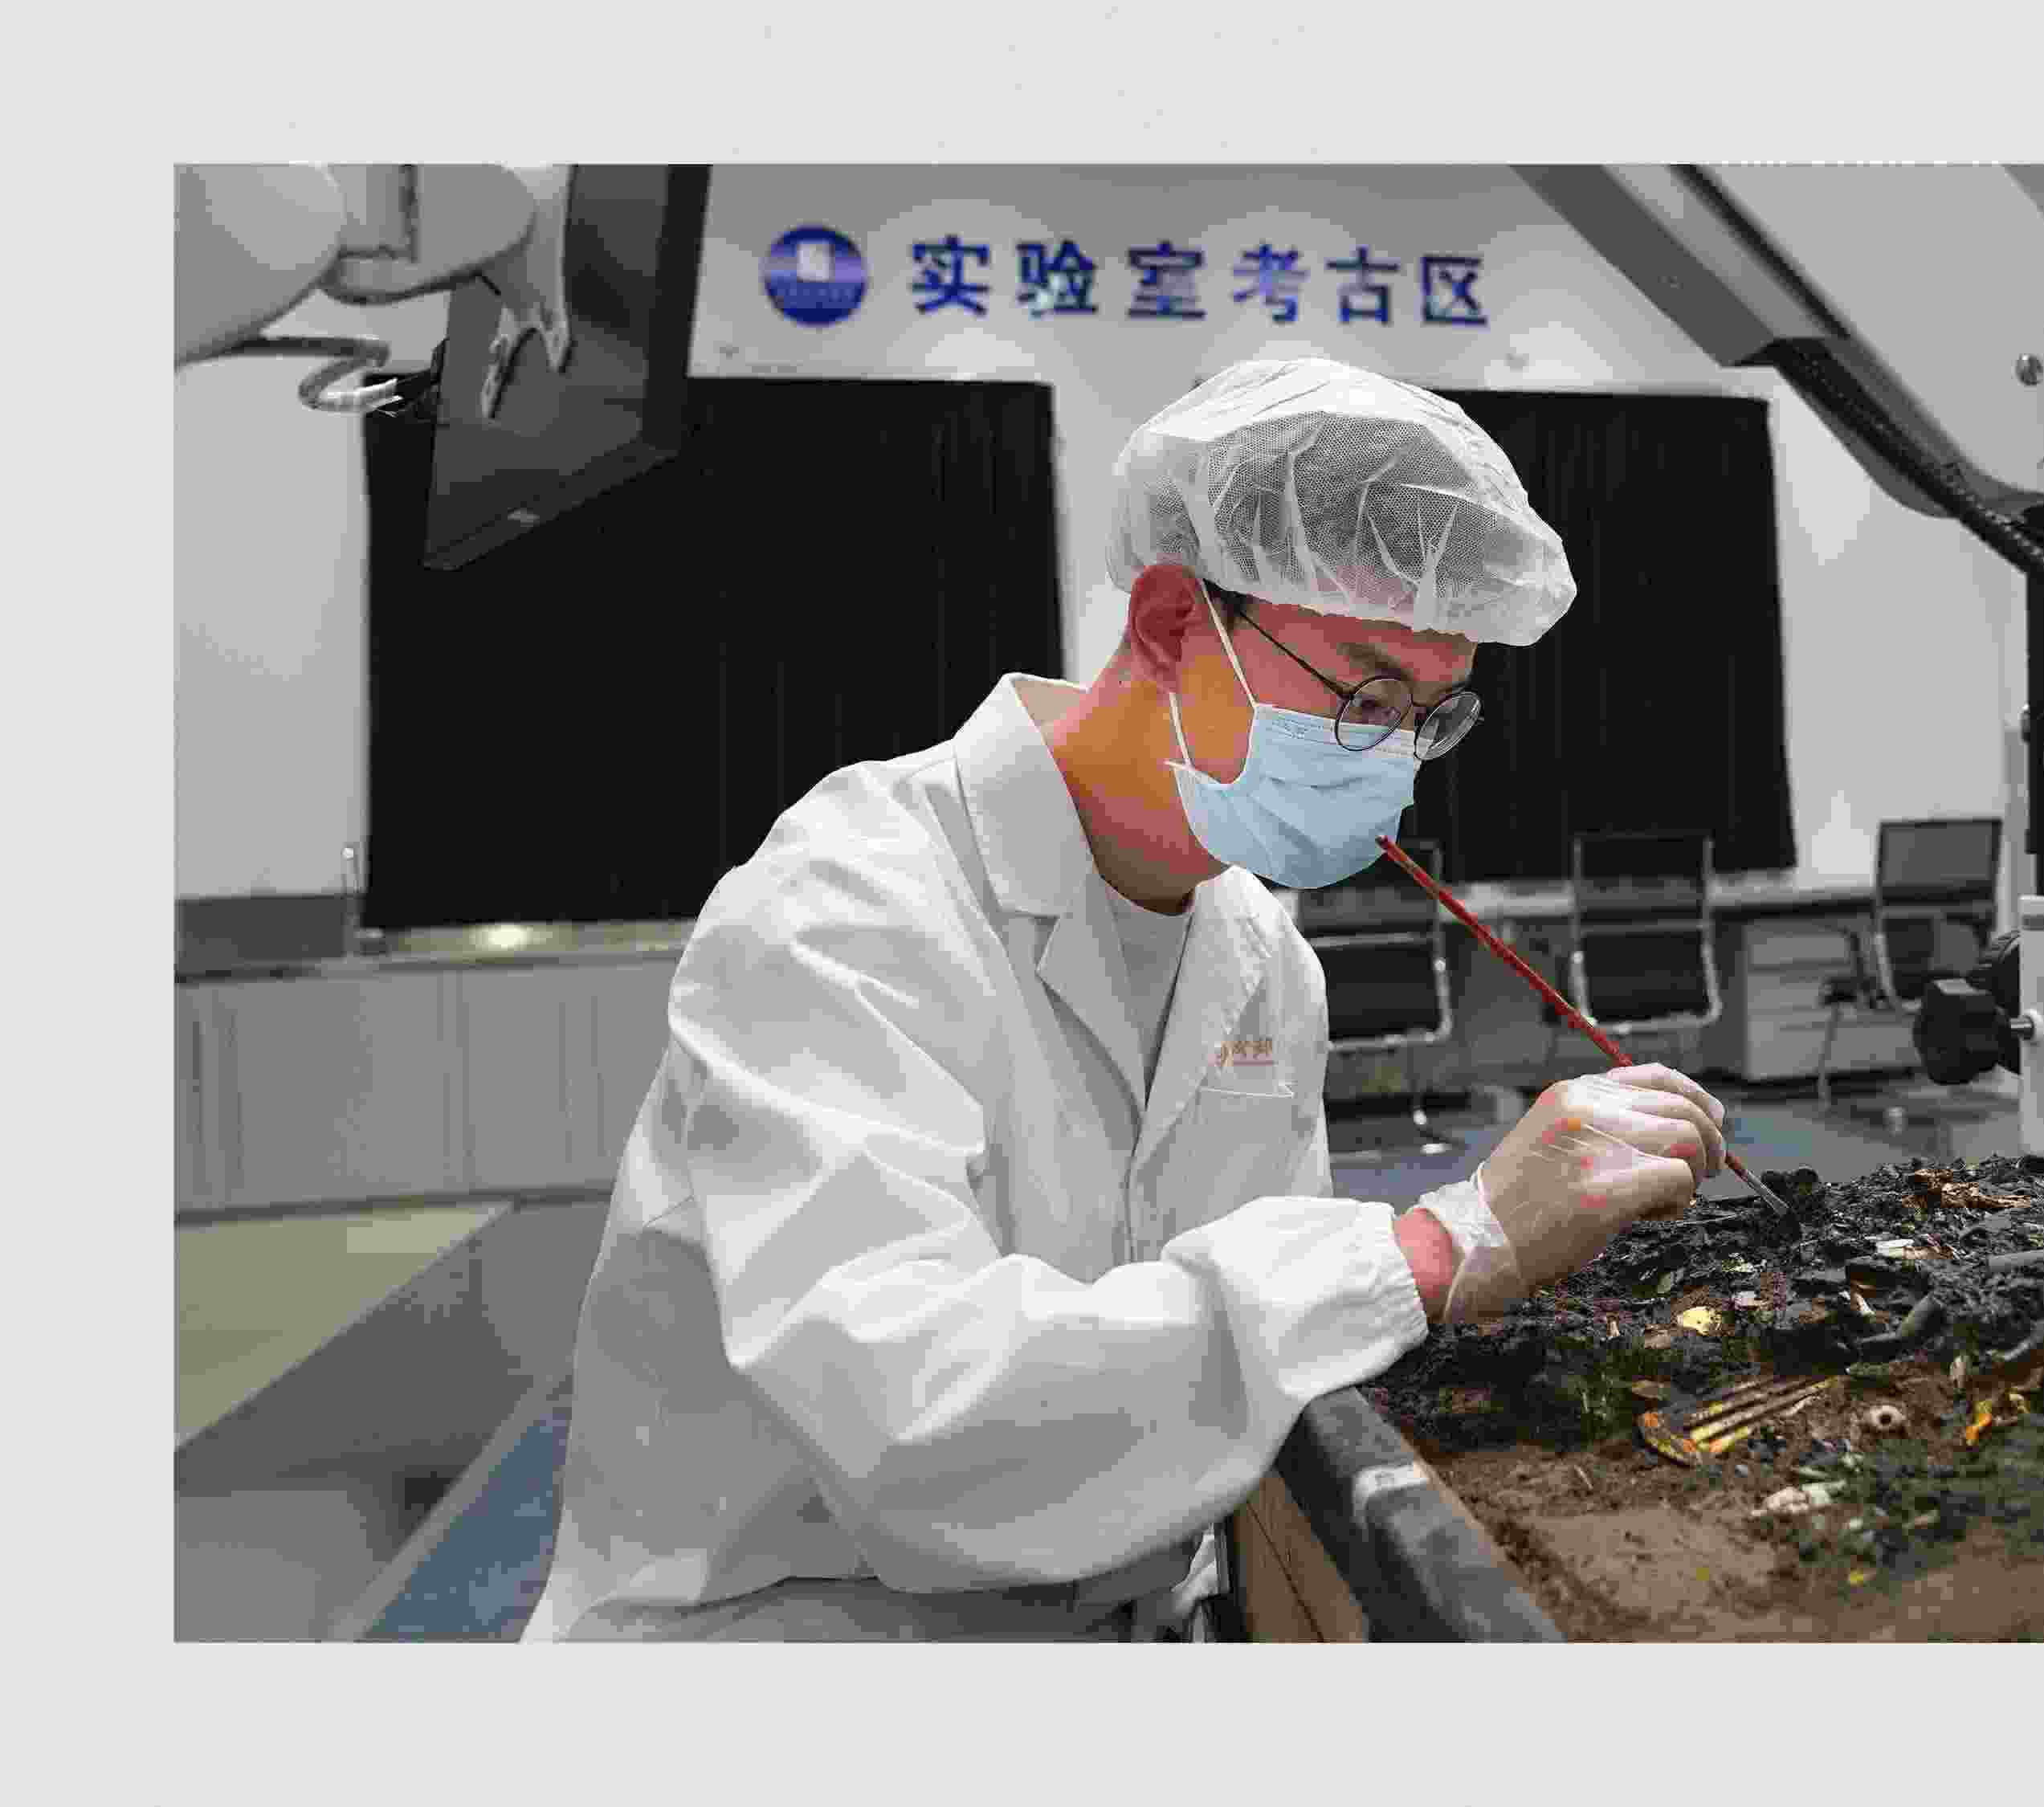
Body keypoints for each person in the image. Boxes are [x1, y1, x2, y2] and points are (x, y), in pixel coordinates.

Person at [522, 357, 1732, 1641]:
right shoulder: (849, 903)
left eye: (1430, 717)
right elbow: (916, 1423)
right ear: (1166, 624)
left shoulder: (1263, 959)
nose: (1392, 764)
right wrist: (1437, 1247)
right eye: (1363, 696)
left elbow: (1248, 1375)